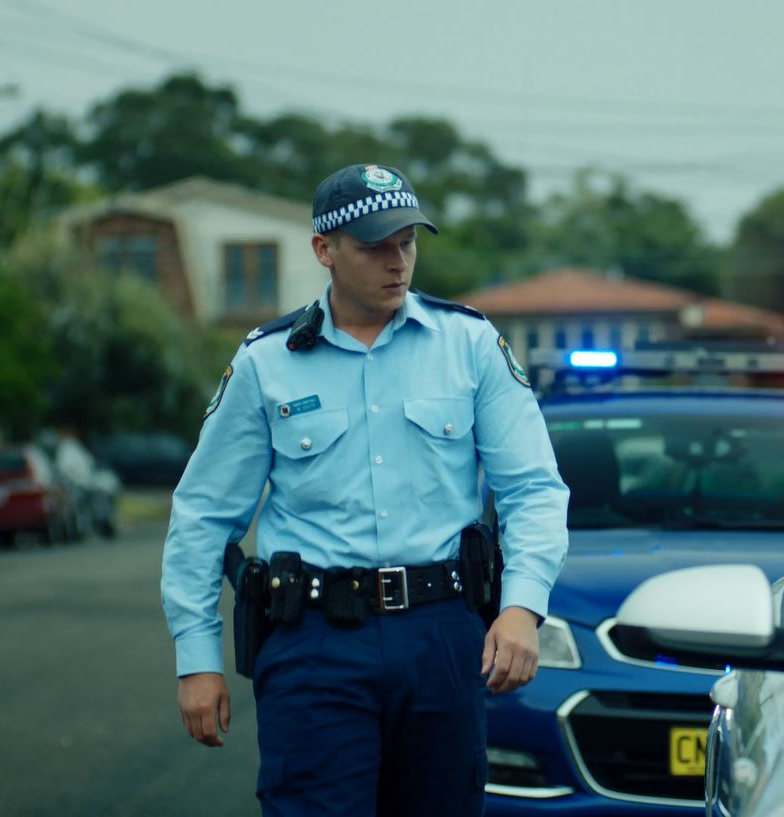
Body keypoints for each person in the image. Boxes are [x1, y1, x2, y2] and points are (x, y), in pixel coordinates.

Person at [161, 163, 570, 816]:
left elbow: (533, 490)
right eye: (375, 246)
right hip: (314, 642)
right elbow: (204, 514)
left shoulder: (468, 345)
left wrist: (522, 606)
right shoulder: (267, 360)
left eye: (406, 242)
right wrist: (196, 655)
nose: (397, 261)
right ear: (324, 249)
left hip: (441, 634)